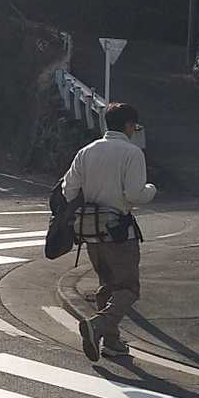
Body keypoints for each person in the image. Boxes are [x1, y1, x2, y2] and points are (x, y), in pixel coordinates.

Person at [58, 102, 155, 361]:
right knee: (128, 288)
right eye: (135, 127)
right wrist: (151, 190)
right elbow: (134, 194)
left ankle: (111, 342)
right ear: (129, 125)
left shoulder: (86, 151)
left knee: (107, 285)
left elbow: (68, 189)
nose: (135, 131)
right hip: (119, 232)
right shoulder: (132, 153)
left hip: (90, 231)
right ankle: (98, 325)